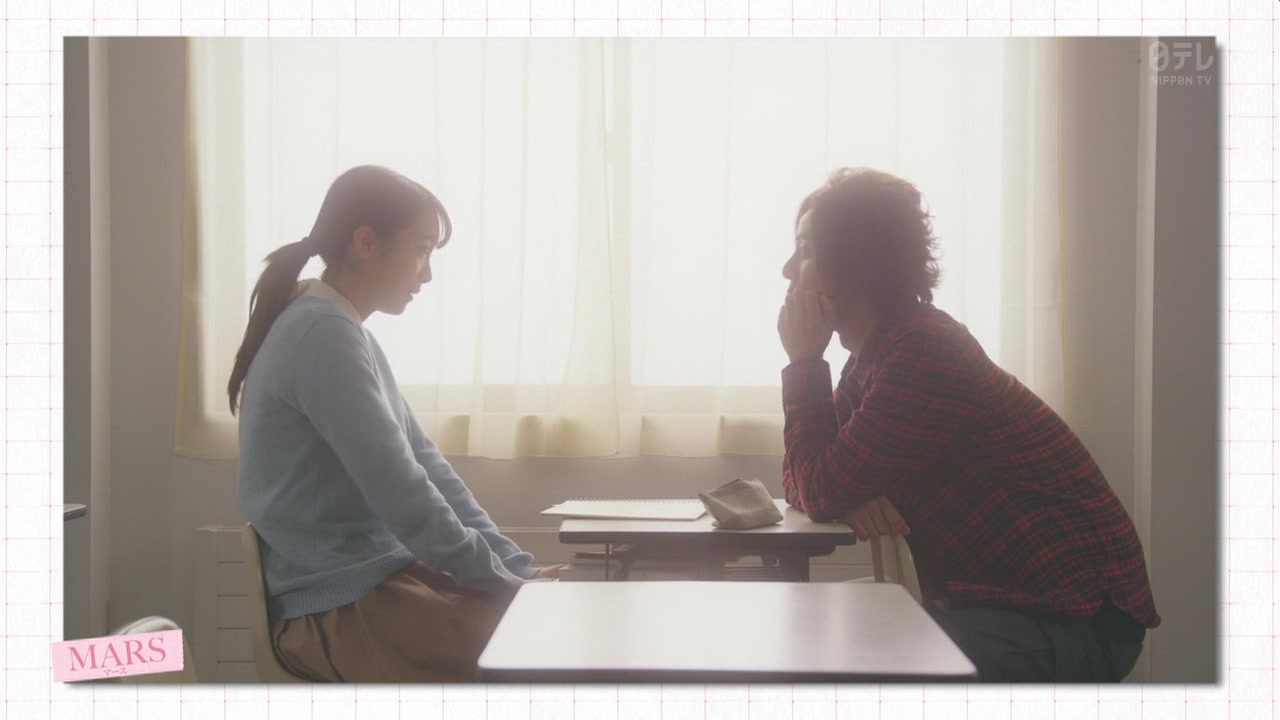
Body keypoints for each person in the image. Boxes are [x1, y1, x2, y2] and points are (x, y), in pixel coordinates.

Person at [777, 167, 1159, 682]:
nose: (787, 269)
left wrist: (804, 364)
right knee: (818, 630)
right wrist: (844, 493)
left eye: (804, 249)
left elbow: (818, 485)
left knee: (848, 652)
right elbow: (805, 479)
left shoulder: (923, 352)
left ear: (856, 263)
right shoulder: (875, 358)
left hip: (1076, 621)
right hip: (1007, 606)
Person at [229, 165, 561, 682]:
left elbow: (429, 469)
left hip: (372, 589)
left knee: (546, 631)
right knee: (544, 649)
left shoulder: (342, 331)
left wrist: (515, 569)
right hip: (336, 612)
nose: (426, 275)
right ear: (366, 243)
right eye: (422, 250)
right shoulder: (321, 334)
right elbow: (402, 491)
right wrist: (504, 582)